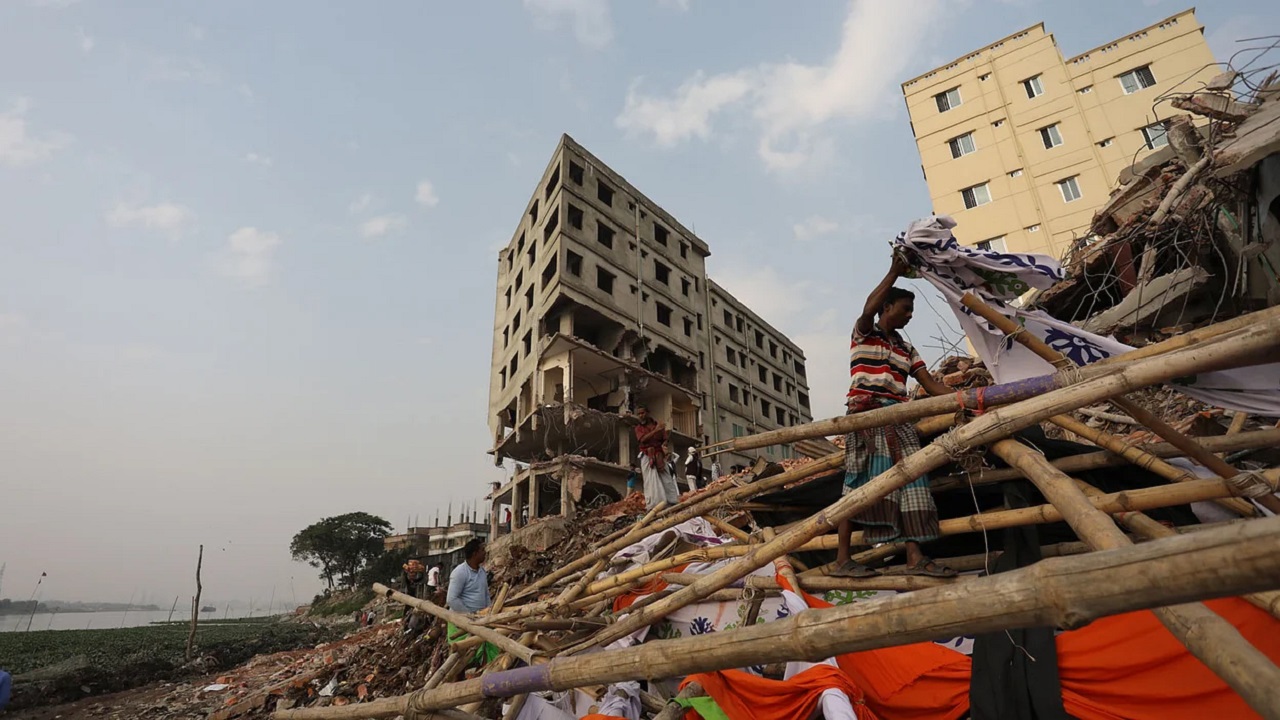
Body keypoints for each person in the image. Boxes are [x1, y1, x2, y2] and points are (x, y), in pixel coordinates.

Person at [832, 253, 957, 579]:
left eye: (912, 311)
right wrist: (894, 271)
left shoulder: (907, 350)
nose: (910, 315)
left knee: (913, 482)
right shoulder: (864, 334)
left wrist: (965, 398)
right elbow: (867, 308)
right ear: (887, 309)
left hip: (900, 421)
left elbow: (930, 385)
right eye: (905, 309)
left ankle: (915, 557)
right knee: (857, 485)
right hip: (866, 417)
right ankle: (842, 560)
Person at [446, 538, 500, 665]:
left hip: (480, 619)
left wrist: (490, 611)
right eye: (482, 550)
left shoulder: (481, 571)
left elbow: (486, 593)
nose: (485, 553)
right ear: (475, 553)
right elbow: (452, 599)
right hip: (462, 624)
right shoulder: (460, 573)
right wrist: (469, 616)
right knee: (461, 661)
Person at [634, 404, 680, 510]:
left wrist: (664, 444)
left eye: (642, 413)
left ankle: (672, 501)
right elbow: (642, 439)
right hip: (647, 454)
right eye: (639, 414)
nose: (641, 415)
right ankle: (655, 504)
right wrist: (656, 431)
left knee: (666, 478)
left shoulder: (656, 424)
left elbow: (664, 438)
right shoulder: (639, 428)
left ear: (647, 413)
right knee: (650, 480)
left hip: (659, 454)